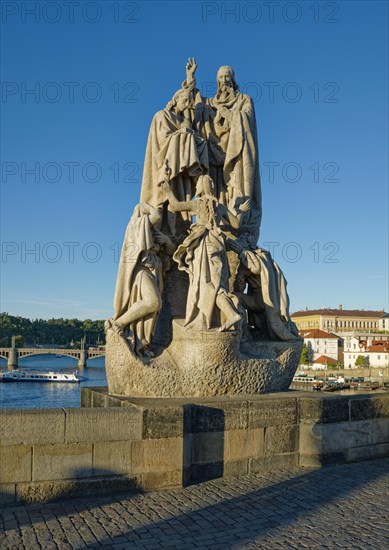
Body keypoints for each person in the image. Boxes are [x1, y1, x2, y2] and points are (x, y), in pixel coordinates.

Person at [183, 60, 262, 241]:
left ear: (233, 80)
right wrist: (190, 77)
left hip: (237, 158)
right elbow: (192, 103)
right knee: (216, 192)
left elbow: (246, 120)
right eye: (221, 78)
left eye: (227, 77)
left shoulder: (244, 100)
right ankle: (217, 227)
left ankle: (237, 231)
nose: (224, 81)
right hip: (213, 156)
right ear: (217, 81)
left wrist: (229, 115)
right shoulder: (211, 103)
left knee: (237, 193)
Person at [161, 174, 249, 331]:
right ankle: (229, 314)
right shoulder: (219, 206)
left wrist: (168, 190)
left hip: (203, 245)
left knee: (205, 284)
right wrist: (240, 210)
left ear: (200, 188)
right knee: (217, 284)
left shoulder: (198, 204)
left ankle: (229, 315)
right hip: (217, 243)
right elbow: (236, 223)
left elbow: (175, 206)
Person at [105, 203, 174, 356]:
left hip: (155, 269)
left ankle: (141, 345)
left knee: (153, 312)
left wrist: (167, 241)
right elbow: (155, 215)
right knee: (153, 302)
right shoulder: (136, 224)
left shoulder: (152, 230)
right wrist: (144, 205)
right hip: (141, 269)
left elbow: (171, 252)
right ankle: (119, 324)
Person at [140, 85, 208, 236]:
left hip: (180, 171)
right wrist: (182, 133)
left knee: (200, 141)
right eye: (184, 101)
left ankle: (197, 171)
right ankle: (194, 170)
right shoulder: (161, 116)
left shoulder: (183, 120)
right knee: (187, 136)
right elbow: (161, 141)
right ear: (176, 99)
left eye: (189, 102)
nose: (187, 105)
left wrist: (185, 130)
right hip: (166, 163)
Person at [228, 234, 300, 341]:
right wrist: (241, 275)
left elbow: (256, 268)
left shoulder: (262, 256)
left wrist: (242, 252)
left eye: (242, 242)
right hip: (256, 298)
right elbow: (239, 288)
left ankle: (248, 333)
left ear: (249, 244)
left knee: (273, 328)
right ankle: (243, 331)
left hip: (267, 298)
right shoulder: (245, 259)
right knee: (235, 297)